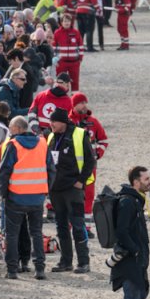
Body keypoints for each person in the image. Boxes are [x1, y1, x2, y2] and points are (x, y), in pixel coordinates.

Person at [0, 116, 53, 280]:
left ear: (17, 128)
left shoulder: (13, 145)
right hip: (37, 197)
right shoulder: (42, 143)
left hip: (16, 197)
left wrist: (4, 193)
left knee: (12, 234)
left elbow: (4, 172)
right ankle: (39, 269)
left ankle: (12, 270)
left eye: (10, 127)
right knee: (36, 233)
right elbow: (51, 169)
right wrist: (45, 190)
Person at [46, 108, 95, 274]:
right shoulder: (51, 136)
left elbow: (90, 160)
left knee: (78, 225)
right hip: (56, 189)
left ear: (63, 122)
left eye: (54, 121)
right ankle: (65, 262)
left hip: (73, 189)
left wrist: (81, 181)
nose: (51, 124)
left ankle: (83, 262)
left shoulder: (80, 134)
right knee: (61, 226)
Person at [113, 166, 150, 299]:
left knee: (141, 291)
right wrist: (135, 249)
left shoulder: (136, 200)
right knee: (133, 293)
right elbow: (121, 230)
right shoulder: (128, 202)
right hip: (131, 258)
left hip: (137, 256)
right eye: (146, 179)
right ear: (136, 182)